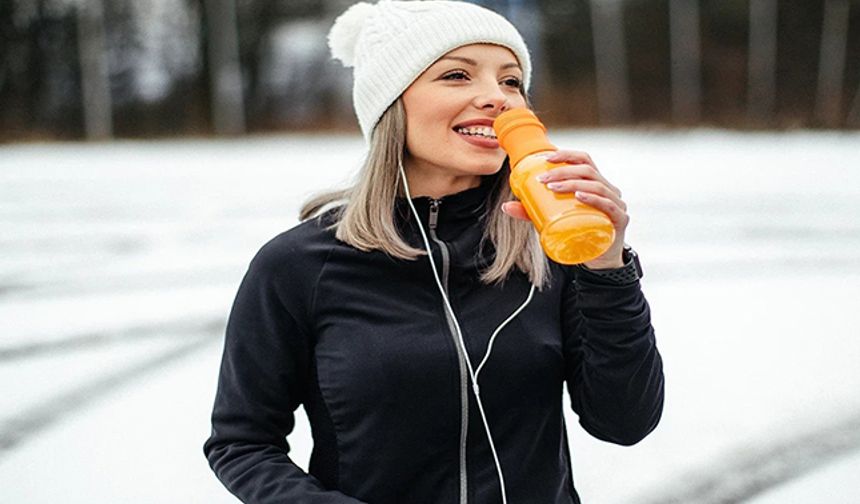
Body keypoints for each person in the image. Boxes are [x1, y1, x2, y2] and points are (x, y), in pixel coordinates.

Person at [203, 1, 664, 503]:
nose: (497, 97)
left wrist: (607, 269)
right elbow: (242, 443)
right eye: (456, 75)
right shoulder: (300, 264)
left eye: (511, 81)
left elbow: (625, 421)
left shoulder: (549, 249)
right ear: (391, 104)